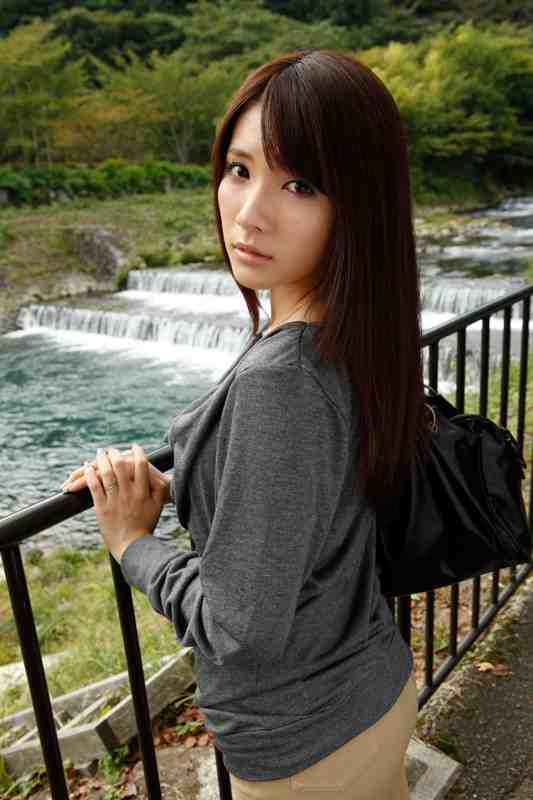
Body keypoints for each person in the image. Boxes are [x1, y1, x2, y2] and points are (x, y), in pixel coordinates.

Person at [62, 48, 428, 799]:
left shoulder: (282, 380)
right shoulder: (354, 336)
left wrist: (132, 542)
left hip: (309, 752)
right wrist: (185, 484)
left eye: (299, 184)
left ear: (356, 202)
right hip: (365, 694)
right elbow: (313, 501)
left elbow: (239, 631)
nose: (249, 212)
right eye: (239, 169)